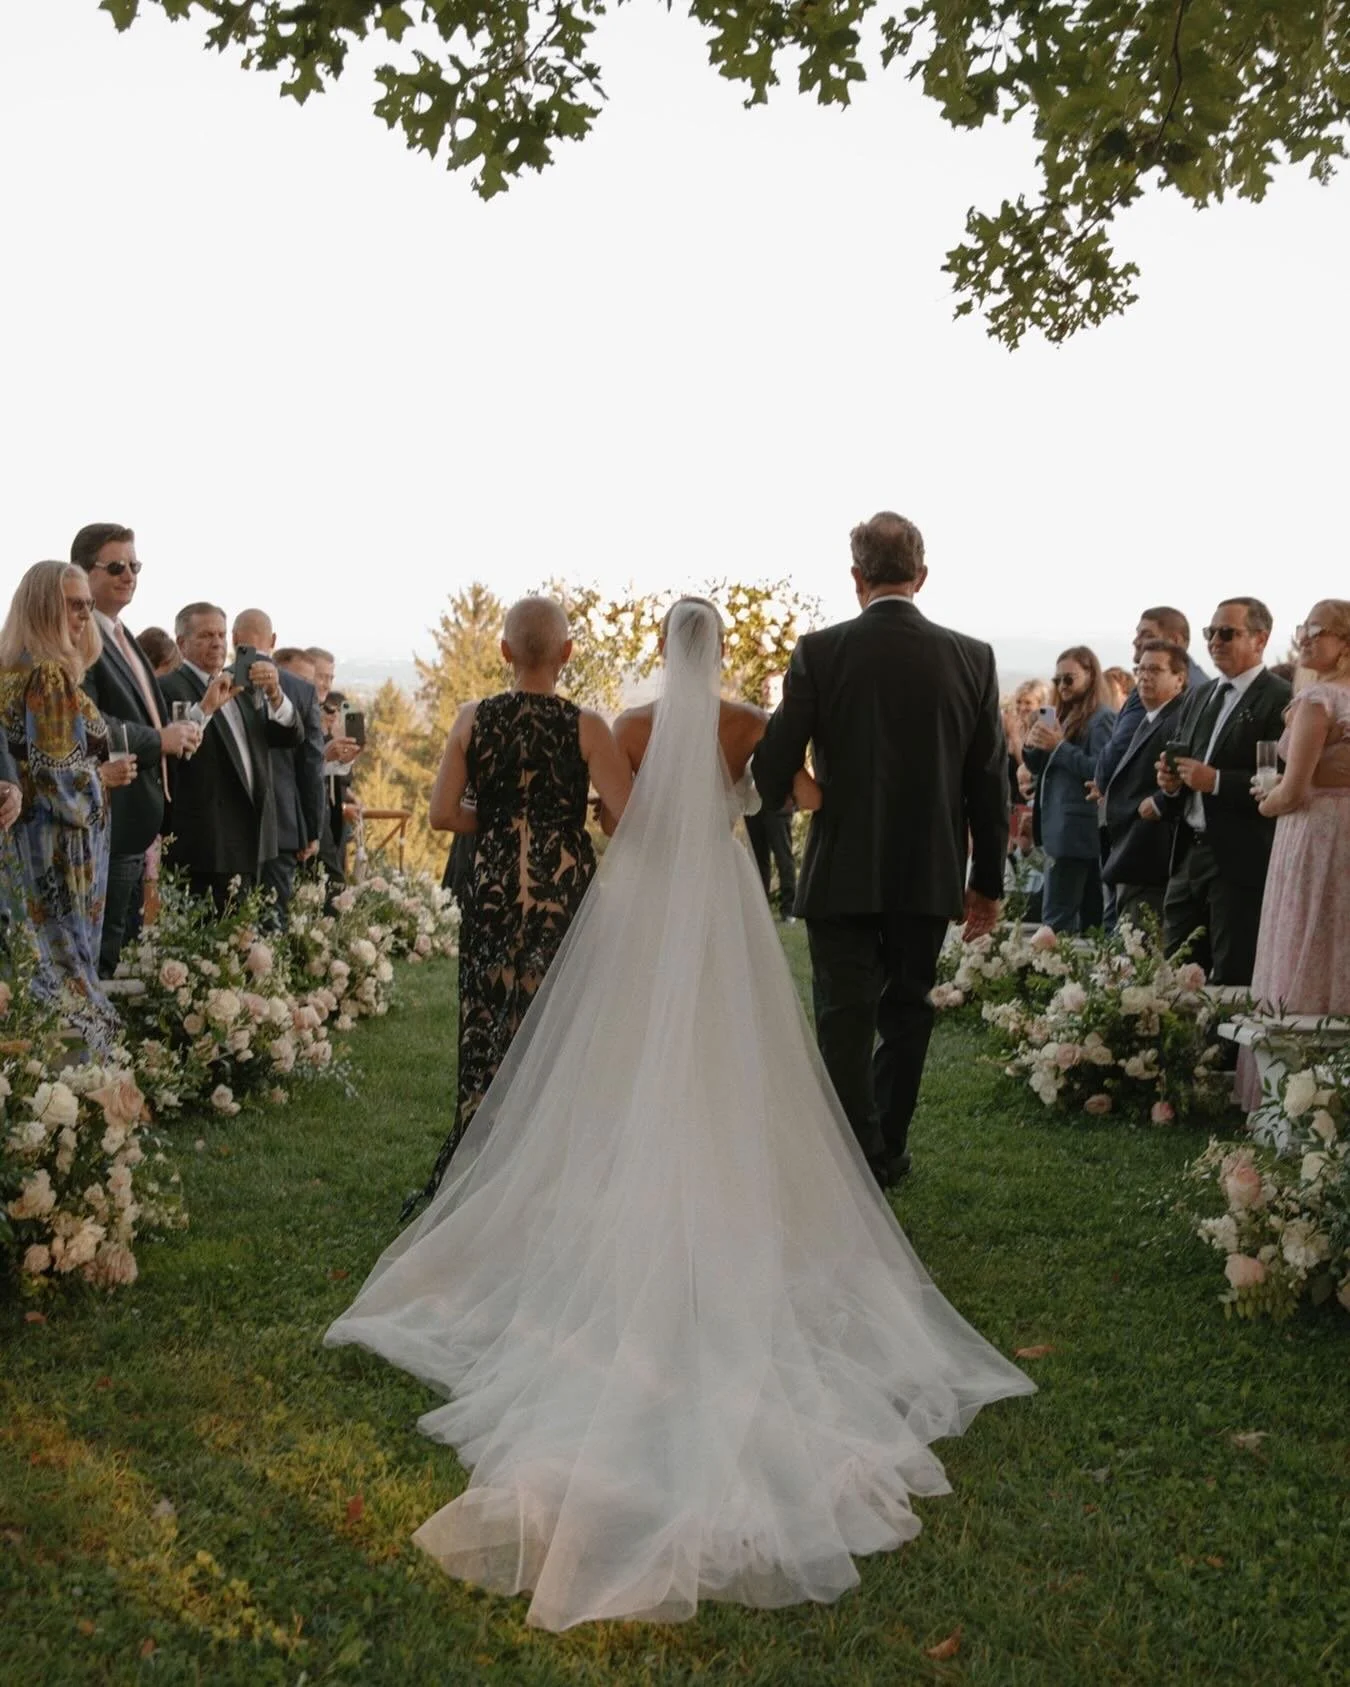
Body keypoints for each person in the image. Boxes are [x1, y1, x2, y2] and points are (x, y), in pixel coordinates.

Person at [325, 597, 1034, 1631]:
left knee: (620, 1046)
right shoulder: (747, 715)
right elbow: (796, 787)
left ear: (660, 650)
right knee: (739, 1043)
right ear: (725, 651)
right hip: (725, 896)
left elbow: (623, 816)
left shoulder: (629, 723)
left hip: (651, 894)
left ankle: (627, 1166)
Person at [753, 512, 1007, 1186]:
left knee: (843, 1016)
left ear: (856, 577)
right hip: (930, 868)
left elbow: (772, 762)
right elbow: (990, 779)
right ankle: (885, 1149)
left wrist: (806, 793)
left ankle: (855, 1155)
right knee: (907, 1010)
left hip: (842, 865)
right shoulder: (973, 657)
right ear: (921, 575)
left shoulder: (820, 650)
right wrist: (988, 882)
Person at [411, 597, 633, 1206]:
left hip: (492, 890)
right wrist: (576, 813)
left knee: (487, 1016)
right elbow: (629, 813)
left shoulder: (469, 719)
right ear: (567, 653)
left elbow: (442, 814)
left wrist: (503, 818)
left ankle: (481, 1163)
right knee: (560, 1022)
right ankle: (554, 1169)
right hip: (561, 893)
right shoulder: (588, 725)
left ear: (505, 651)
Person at [0, 562, 134, 1050]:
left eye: (88, 605)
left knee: (31, 959)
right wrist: (104, 775)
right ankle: (85, 1078)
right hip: (58, 852)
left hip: (22, 846)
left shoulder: (10, 666)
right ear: (43, 605)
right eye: (73, 603)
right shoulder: (49, 674)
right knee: (65, 967)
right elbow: (58, 778)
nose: (84, 614)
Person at [72, 523, 200, 974]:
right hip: (112, 816)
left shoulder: (124, 637)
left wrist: (188, 726)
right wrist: (158, 741)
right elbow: (87, 721)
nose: (129, 575)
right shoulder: (83, 637)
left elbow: (150, 715)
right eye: (116, 566)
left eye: (135, 565)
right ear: (83, 571)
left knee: (125, 947)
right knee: (105, 954)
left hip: (140, 821)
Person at [1155, 597, 1291, 984]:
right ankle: (1177, 1045)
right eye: (1210, 633)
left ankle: (1225, 1046)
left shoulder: (1279, 697)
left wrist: (1214, 781)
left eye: (1227, 633)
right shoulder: (1201, 695)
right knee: (1174, 967)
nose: (1215, 641)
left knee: (1232, 970)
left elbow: (1279, 776)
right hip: (1190, 851)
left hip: (1239, 856)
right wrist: (1171, 782)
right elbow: (1186, 759)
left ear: (1260, 639)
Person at [1244, 599, 1350, 1047]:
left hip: (1314, 832)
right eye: (1303, 627)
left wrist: (1266, 800)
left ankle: (1296, 1067)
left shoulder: (1317, 699)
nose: (1305, 637)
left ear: (1345, 642)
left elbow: (1294, 791)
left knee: (1304, 931)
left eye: (1318, 630)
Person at [160, 603, 304, 913]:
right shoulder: (170, 688)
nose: (216, 642)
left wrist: (276, 695)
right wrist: (206, 708)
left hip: (255, 837)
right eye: (205, 635)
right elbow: (176, 755)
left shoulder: (240, 684)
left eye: (222, 635)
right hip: (208, 843)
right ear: (182, 643)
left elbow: (288, 737)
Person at [231, 615, 326, 928]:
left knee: (232, 920)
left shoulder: (219, 682)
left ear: (233, 640)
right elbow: (311, 763)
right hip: (285, 820)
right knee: (274, 918)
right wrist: (312, 827)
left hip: (233, 823)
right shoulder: (302, 691)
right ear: (272, 641)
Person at [1021, 646, 1116, 933]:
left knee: (1057, 921)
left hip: (1077, 832)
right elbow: (1041, 768)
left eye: (1069, 679)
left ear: (1090, 675)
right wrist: (1032, 743)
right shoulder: (1063, 715)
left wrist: (1059, 747)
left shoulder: (1101, 719)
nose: (1062, 686)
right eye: (1057, 680)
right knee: (1086, 918)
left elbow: (1100, 770)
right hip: (1059, 829)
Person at [1099, 640, 1189, 928]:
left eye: (1155, 670)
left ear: (1179, 678)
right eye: (1141, 669)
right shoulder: (1149, 718)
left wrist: (1158, 803)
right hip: (1131, 853)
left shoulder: (1178, 718)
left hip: (1151, 856)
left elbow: (1182, 777)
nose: (1145, 676)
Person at [744, 795, 798, 920]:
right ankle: (761, 908)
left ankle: (789, 908)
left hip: (778, 804)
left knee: (784, 857)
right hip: (753, 805)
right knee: (757, 860)